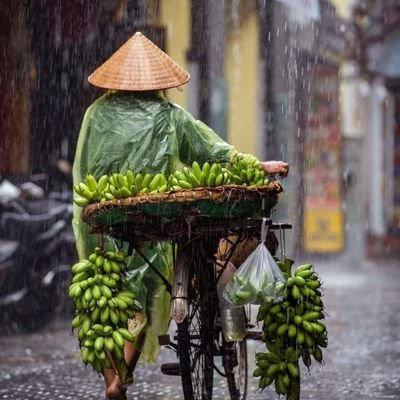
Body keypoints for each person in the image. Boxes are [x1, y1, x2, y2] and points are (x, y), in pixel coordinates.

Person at [72, 31, 288, 400]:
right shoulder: (169, 116)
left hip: (107, 215)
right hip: (156, 216)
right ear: (158, 82)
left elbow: (82, 169)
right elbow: (213, 152)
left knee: (103, 299)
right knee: (143, 293)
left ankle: (112, 379)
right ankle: (122, 377)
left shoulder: (96, 114)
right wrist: (258, 166)